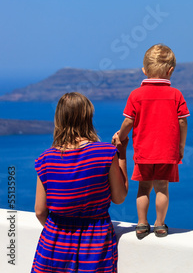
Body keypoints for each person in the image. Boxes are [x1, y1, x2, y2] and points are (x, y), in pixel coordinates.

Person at [32, 92, 128, 273]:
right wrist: (121, 154)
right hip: (95, 244)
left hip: (53, 245)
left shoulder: (45, 159)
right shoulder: (105, 153)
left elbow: (39, 211)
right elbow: (119, 197)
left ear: (59, 119)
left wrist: (62, 230)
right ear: (88, 118)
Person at [116, 43, 189, 239]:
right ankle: (159, 225)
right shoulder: (176, 95)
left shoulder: (136, 95)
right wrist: (180, 146)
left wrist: (120, 136)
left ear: (144, 70)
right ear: (171, 70)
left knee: (143, 188)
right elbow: (182, 122)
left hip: (143, 152)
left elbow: (128, 121)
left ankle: (141, 224)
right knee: (162, 188)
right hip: (167, 152)